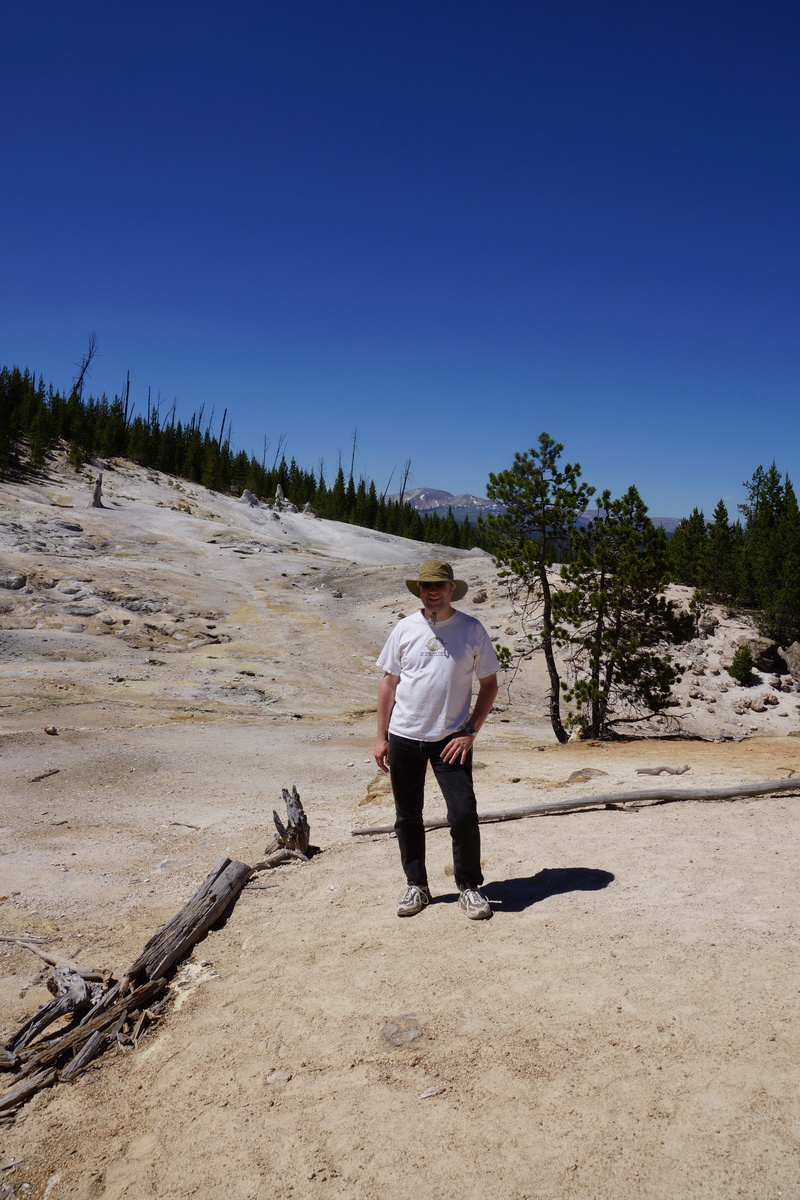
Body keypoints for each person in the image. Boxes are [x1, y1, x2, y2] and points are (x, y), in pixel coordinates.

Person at [374, 560, 499, 919]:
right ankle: (417, 885)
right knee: (407, 815)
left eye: (439, 586)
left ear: (450, 589)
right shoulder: (404, 628)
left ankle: (469, 887)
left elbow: (488, 684)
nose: (433, 591)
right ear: (420, 589)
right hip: (404, 735)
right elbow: (389, 683)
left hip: (451, 739)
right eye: (427, 585)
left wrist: (471, 730)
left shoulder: (471, 629)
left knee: (462, 813)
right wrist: (380, 737)